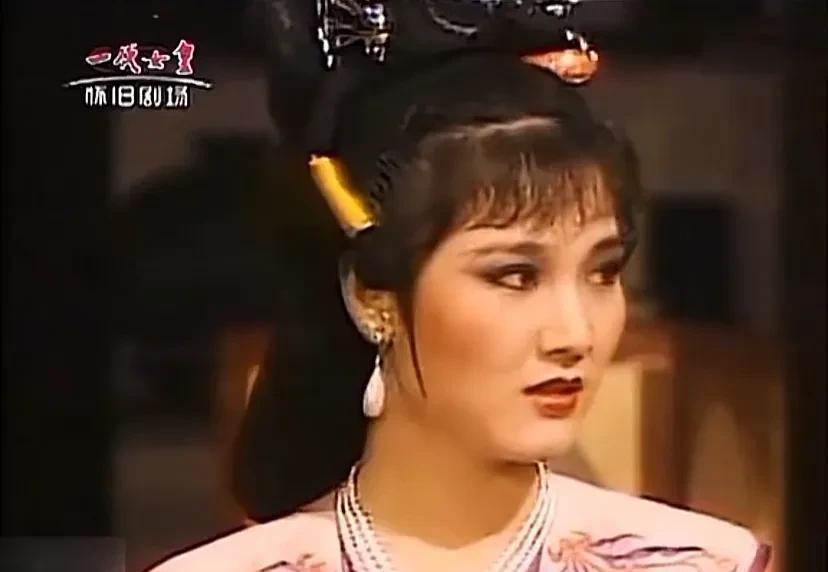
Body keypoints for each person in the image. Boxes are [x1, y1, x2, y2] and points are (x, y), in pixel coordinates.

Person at [148, 1, 771, 570]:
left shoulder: (702, 564)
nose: (575, 334)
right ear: (372, 297)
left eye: (603, 272)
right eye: (515, 276)